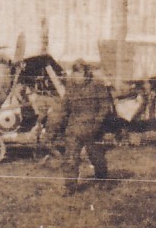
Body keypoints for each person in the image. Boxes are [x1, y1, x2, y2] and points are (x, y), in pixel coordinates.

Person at [47, 59, 115, 195]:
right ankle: (70, 186)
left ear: (87, 73)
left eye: (79, 72)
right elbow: (64, 109)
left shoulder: (97, 85)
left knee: (97, 157)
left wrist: (97, 124)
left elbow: (104, 107)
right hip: (74, 128)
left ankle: (102, 181)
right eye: (75, 72)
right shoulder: (71, 87)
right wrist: (54, 127)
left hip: (93, 128)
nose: (77, 76)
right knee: (70, 158)